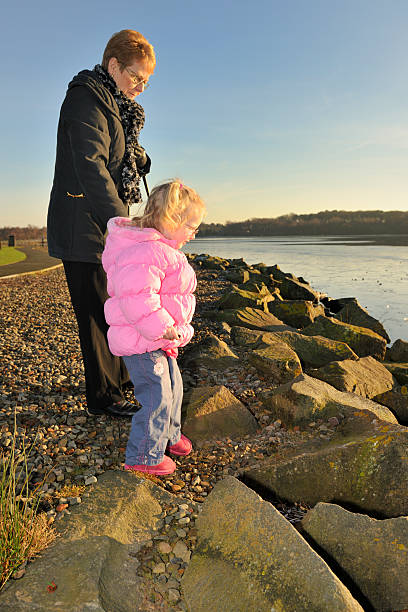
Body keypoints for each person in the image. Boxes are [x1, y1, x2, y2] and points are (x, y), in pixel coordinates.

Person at [47, 30, 155, 417]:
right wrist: (120, 222)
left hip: (105, 222)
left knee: (115, 305)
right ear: (113, 66)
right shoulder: (85, 98)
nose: (140, 87)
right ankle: (103, 399)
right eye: (136, 77)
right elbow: (90, 165)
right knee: (96, 312)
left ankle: (122, 381)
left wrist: (138, 159)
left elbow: (116, 155)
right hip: (83, 222)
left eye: (146, 81)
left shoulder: (115, 104)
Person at [102, 180, 205, 475]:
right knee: (156, 394)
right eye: (191, 226)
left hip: (159, 339)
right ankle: (144, 456)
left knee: (174, 387)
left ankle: (169, 436)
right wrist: (162, 328)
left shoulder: (162, 249)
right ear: (171, 219)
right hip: (143, 340)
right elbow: (137, 297)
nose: (194, 234)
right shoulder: (144, 251)